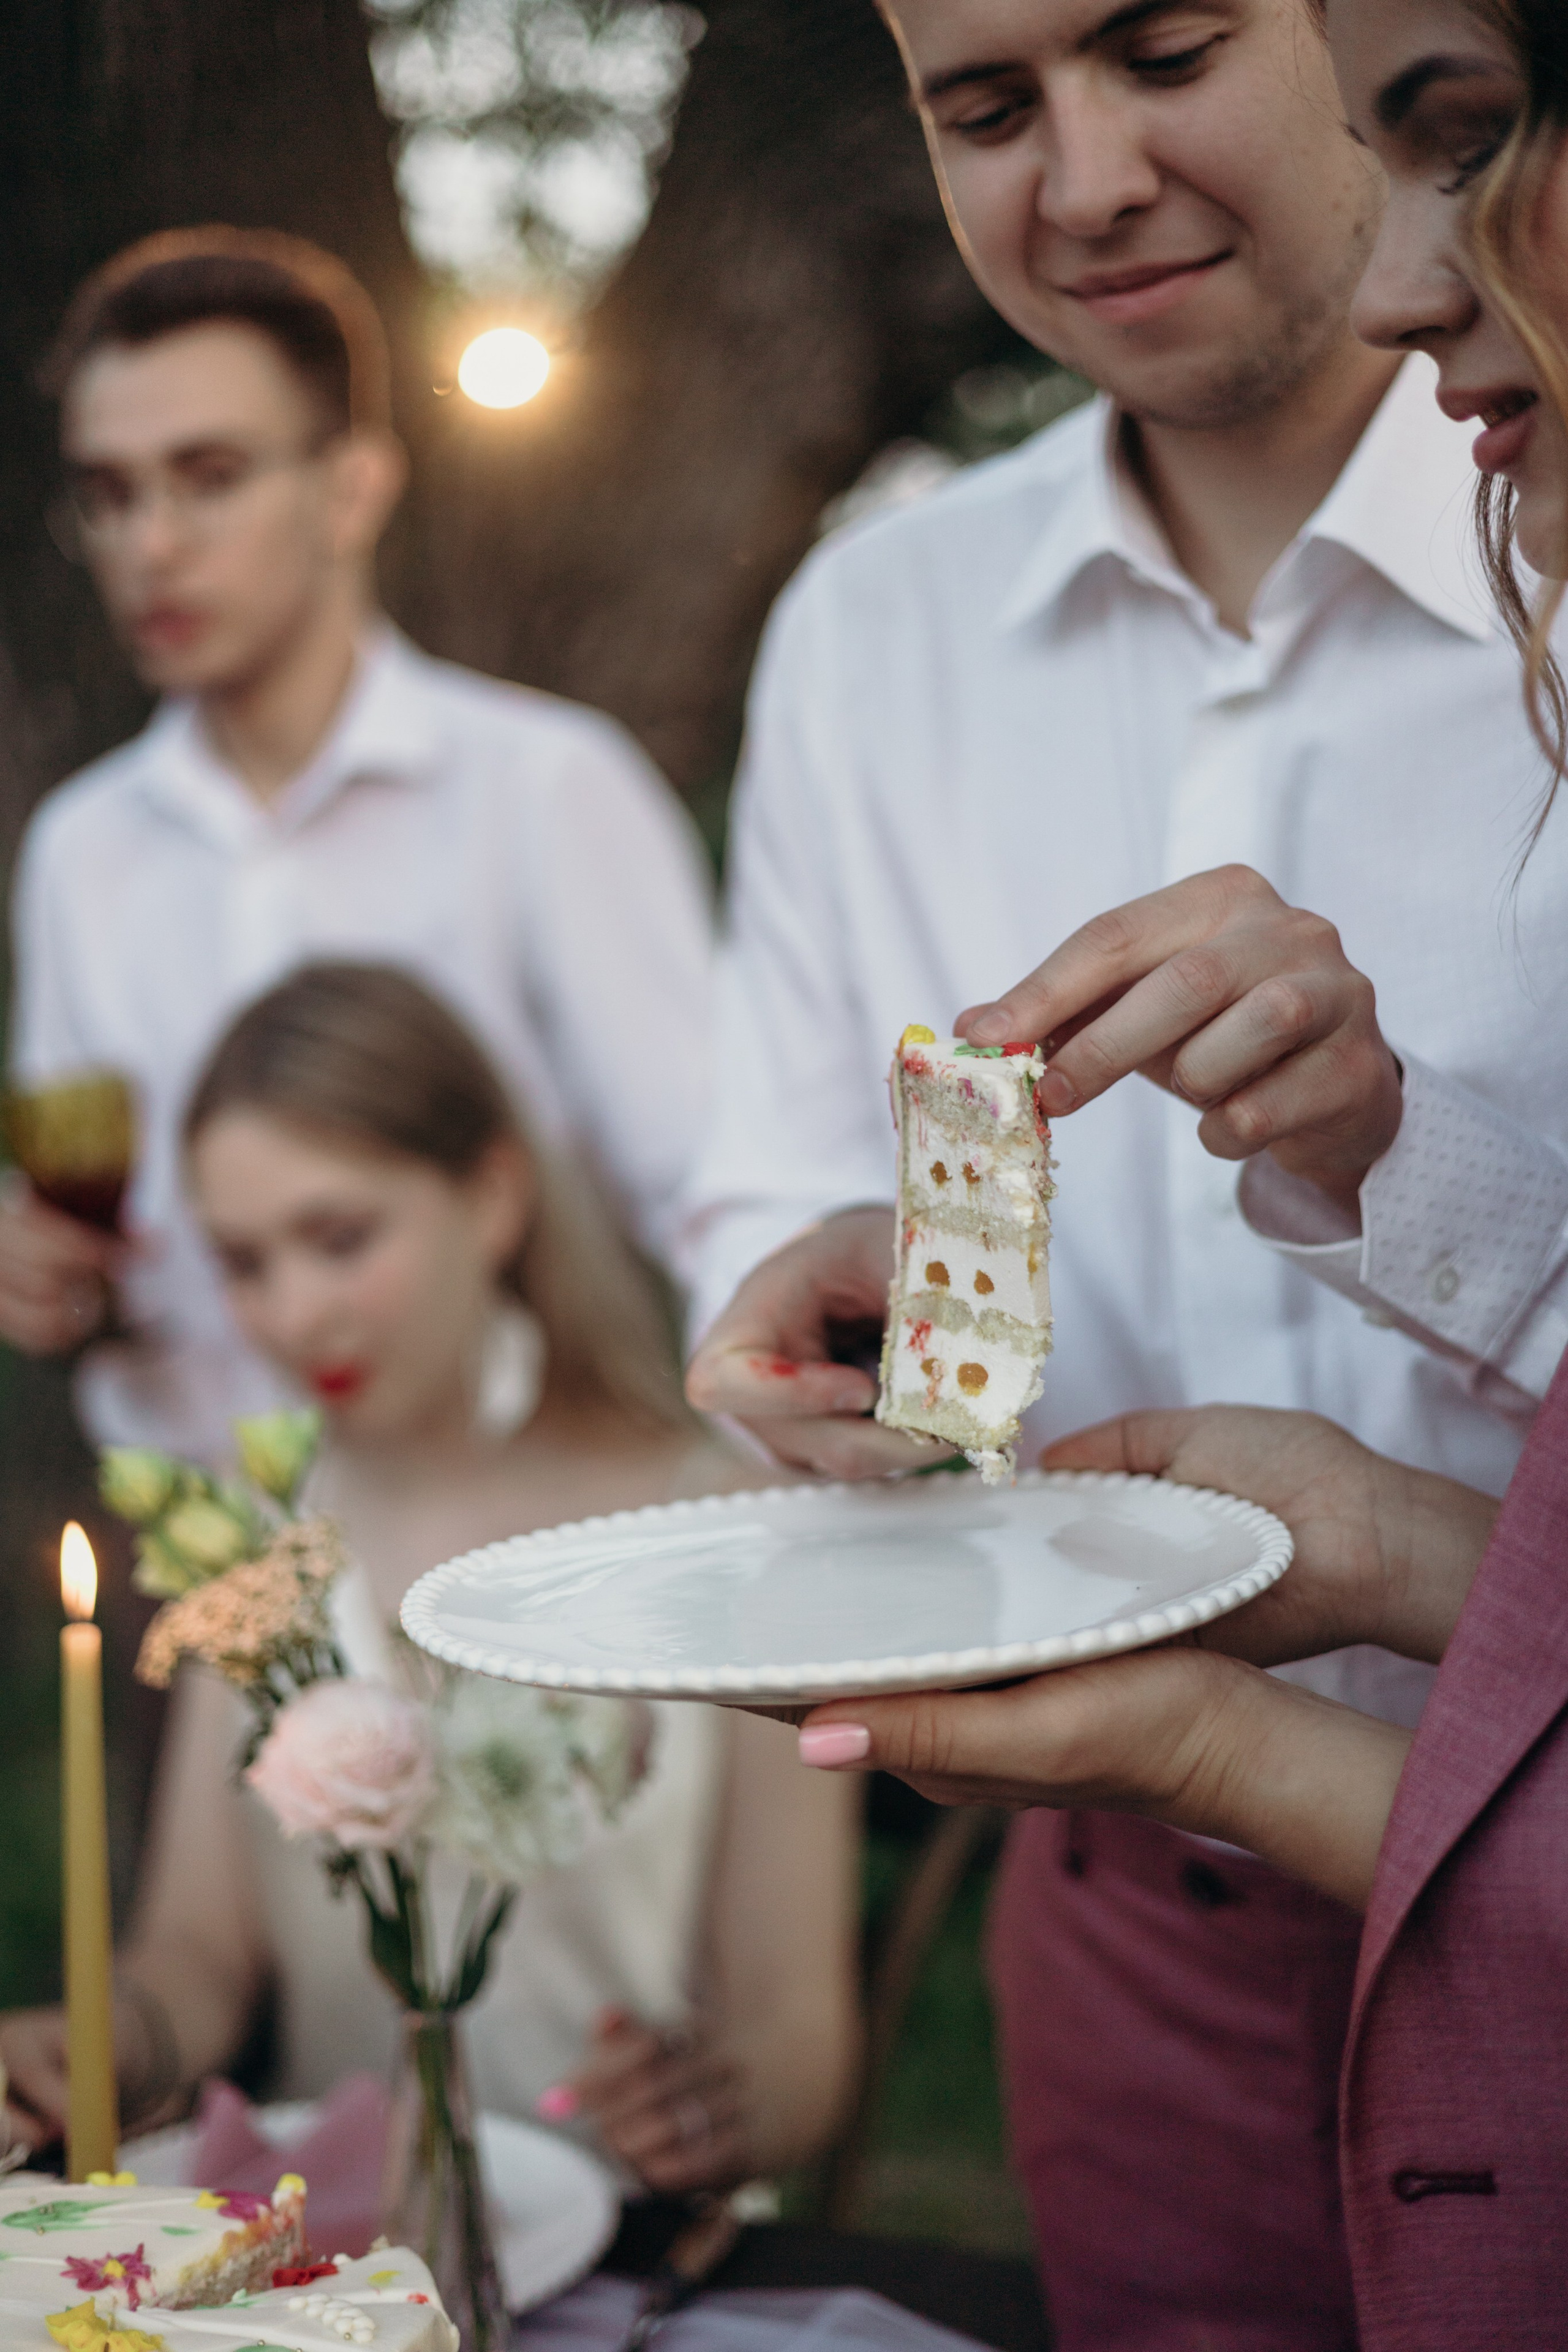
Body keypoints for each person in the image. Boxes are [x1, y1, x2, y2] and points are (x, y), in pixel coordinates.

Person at [682, 0, 1568, 2339]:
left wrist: (1395, 1152)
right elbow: (761, 1174)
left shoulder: (1556, 518)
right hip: (1122, 1917)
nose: (1081, 185)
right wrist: (832, 1298)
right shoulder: (871, 633)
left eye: (1161, 50)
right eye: (985, 109)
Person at [0, 963, 860, 2196]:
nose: (296, 1312)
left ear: (493, 1197)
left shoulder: (730, 1526)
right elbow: (196, 1957)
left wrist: (713, 2107)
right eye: (243, 1262)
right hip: (339, 2244)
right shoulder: (255, 1533)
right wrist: (94, 2047)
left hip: (637, 2241)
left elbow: (797, 2035)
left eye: (340, 1239)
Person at [0, 227, 712, 1463]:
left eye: (209, 476)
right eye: (109, 495)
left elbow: (708, 1185)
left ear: (352, 488)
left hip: (510, 1523)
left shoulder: (540, 788)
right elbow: (101, 1249)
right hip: (209, 1538)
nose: (150, 543)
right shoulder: (81, 850)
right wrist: (42, 1271)